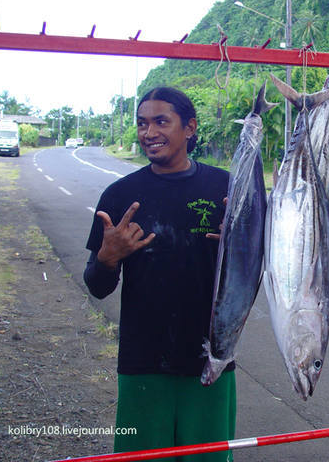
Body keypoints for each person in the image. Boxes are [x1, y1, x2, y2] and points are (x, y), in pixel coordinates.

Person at [83, 87, 234, 462]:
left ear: (190, 128)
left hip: (212, 361)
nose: (149, 132)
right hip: (143, 363)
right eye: (142, 123)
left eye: (161, 121)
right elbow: (97, 286)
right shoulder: (120, 195)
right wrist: (107, 258)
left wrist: (242, 242)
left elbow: (257, 272)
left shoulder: (227, 189)